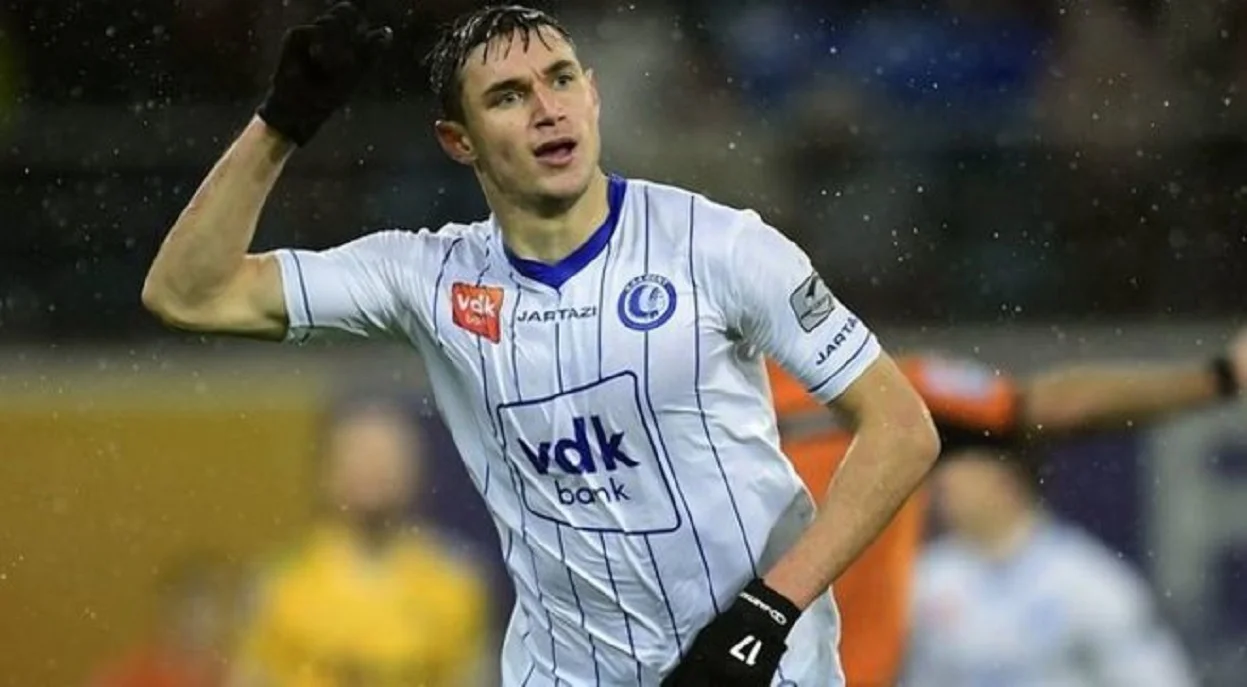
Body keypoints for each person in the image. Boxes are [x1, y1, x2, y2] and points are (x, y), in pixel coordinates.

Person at [140, 3, 940, 686]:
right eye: (508, 96)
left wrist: (768, 610)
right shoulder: (426, 277)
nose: (547, 109)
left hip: (762, 668)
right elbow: (187, 292)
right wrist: (281, 124)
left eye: (560, 80)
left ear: (592, 95)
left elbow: (901, 428)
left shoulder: (721, 246)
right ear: (458, 141)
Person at [769, 338, 1247, 686]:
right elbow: (1049, 406)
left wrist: (1221, 377)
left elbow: (1045, 406)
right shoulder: (867, 387)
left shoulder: (866, 388)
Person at [227, 400, 491, 687]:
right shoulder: (279, 582)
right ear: (326, 470)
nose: (373, 469)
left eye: (386, 457)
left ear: (416, 472)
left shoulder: (457, 583)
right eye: (359, 455)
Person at [904, 434, 1199, 686]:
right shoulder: (926, 577)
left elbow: (1155, 678)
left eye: (962, 473)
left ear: (1007, 482)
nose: (944, 489)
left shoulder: (1085, 578)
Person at [87, 553, 233, 687]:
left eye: (208, 611)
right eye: (188, 609)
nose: (197, 622)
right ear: (165, 611)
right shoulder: (127, 675)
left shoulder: (233, 673)